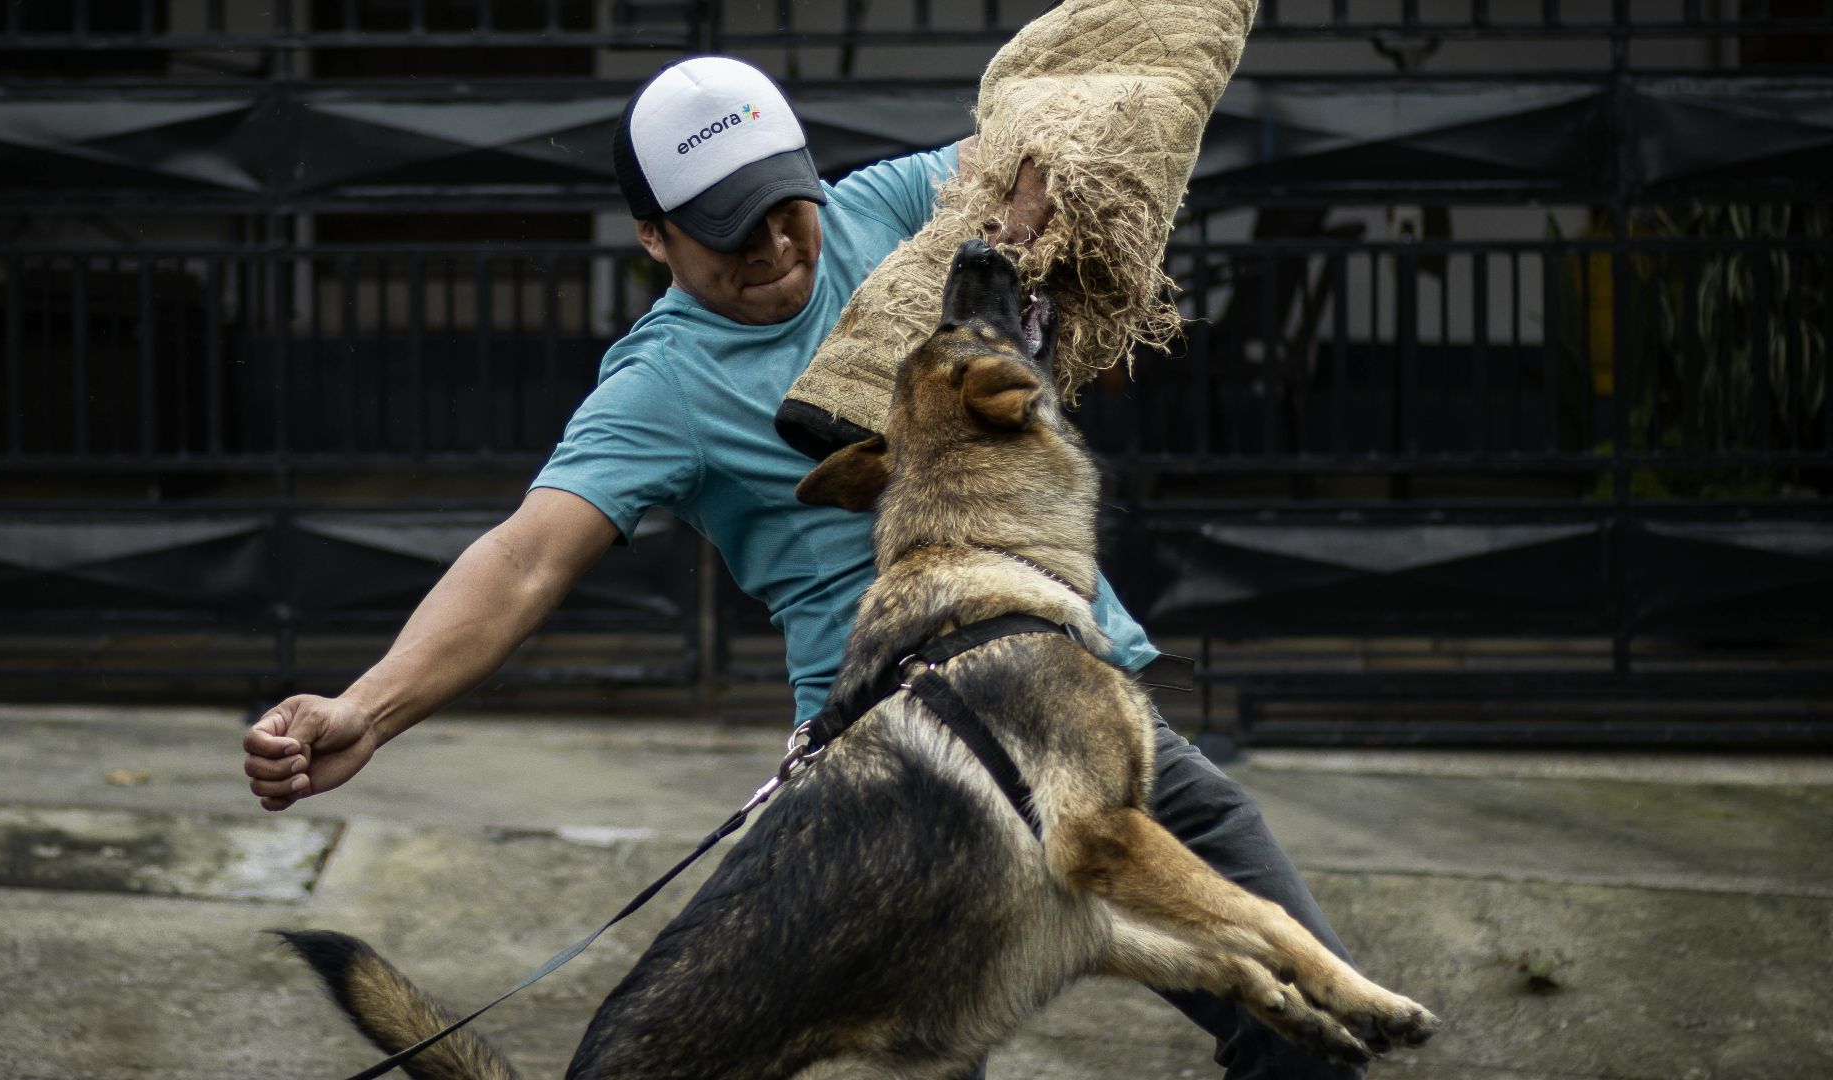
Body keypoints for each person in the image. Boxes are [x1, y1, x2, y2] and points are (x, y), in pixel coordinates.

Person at [243, 54, 1365, 1080]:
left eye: (788, 207)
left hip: (1076, 702)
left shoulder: (883, 209)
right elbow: (526, 559)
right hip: (901, 775)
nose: (777, 248)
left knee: (1313, 1019)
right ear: (653, 238)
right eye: (731, 231)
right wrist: (369, 710)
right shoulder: (660, 386)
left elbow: (1038, 148)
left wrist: (1056, 185)